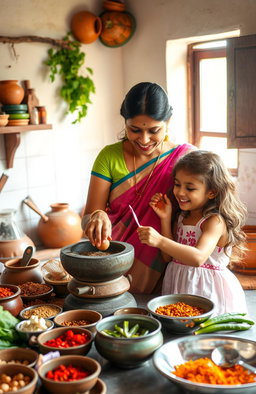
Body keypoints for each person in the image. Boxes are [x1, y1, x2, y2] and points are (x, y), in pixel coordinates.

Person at [82, 82, 193, 294]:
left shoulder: (185, 159)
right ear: (125, 122)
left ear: (168, 122)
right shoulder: (109, 156)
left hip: (169, 263)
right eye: (134, 130)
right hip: (114, 263)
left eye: (154, 130)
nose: (144, 140)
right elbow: (87, 217)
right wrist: (96, 216)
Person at [137, 150, 248, 314]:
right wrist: (165, 219)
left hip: (208, 290)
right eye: (177, 184)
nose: (180, 192)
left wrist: (159, 240)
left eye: (190, 188)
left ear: (212, 192)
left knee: (205, 334)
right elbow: (168, 257)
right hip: (179, 284)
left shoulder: (214, 221)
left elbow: (197, 258)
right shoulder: (181, 217)